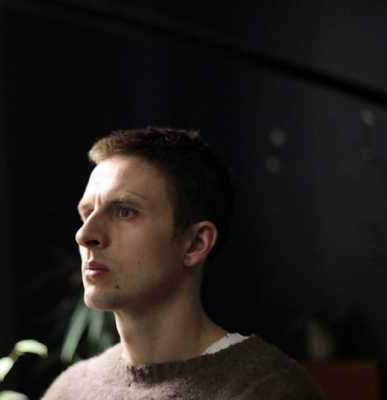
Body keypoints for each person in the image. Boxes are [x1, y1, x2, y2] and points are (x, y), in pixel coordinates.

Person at [42, 127, 323, 399]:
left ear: (195, 244)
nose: (85, 235)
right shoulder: (69, 390)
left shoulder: (267, 390)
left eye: (125, 212)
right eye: (87, 213)